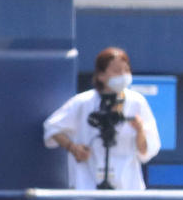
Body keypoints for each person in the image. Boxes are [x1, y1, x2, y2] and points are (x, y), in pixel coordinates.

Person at [43, 47, 161, 191]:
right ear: (101, 75)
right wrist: (73, 148)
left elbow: (146, 151)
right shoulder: (83, 102)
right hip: (88, 186)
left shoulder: (137, 102)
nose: (123, 75)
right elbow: (52, 127)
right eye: (117, 71)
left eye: (126, 70)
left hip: (128, 187)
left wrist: (140, 130)